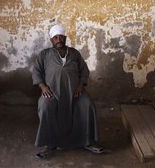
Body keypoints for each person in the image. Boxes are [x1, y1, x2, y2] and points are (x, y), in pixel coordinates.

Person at [31, 24, 104, 158]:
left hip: (75, 92)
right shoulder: (45, 54)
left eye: (61, 37)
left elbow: (84, 70)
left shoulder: (74, 53)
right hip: (53, 92)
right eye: (55, 37)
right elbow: (36, 72)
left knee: (87, 105)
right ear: (51, 40)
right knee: (45, 106)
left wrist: (81, 85)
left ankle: (88, 142)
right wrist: (43, 87)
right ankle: (49, 144)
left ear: (65, 38)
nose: (58, 39)